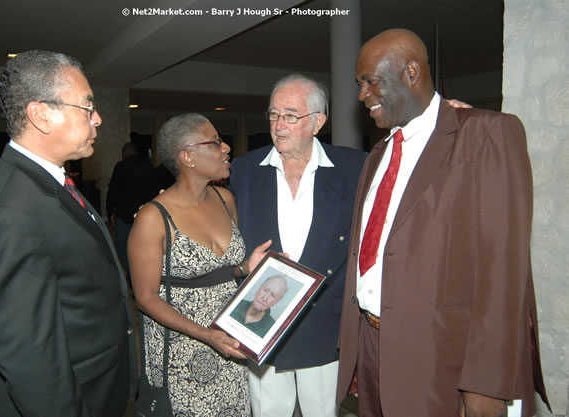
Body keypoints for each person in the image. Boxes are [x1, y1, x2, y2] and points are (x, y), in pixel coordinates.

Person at [336, 29, 550, 417]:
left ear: (411, 72)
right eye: (359, 84)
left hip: (442, 358)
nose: (362, 95)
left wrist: (486, 383)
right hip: (371, 347)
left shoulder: (485, 134)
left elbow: (504, 269)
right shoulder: (378, 155)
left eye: (370, 81)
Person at [0, 50, 136, 417]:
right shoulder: (8, 211)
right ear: (41, 115)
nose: (98, 119)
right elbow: (32, 358)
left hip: (97, 382)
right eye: (87, 107)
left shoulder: (47, 180)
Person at [230, 74, 367, 417]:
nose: (279, 125)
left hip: (324, 321)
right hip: (263, 320)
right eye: (274, 114)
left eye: (290, 115)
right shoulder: (246, 170)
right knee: (268, 411)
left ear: (318, 122)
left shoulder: (354, 167)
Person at [128, 113, 272, 416]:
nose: (226, 149)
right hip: (182, 352)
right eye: (215, 142)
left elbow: (221, 273)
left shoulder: (225, 199)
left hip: (230, 342)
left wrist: (245, 267)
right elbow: (144, 298)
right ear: (187, 157)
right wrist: (207, 335)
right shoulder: (153, 218)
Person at [106, 141, 155, 279]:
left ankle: (133, 276)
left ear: (124, 153)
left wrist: (111, 211)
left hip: (124, 215)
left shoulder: (121, 167)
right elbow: (153, 191)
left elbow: (113, 191)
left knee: (122, 247)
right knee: (145, 248)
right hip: (144, 215)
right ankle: (145, 276)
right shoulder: (148, 166)